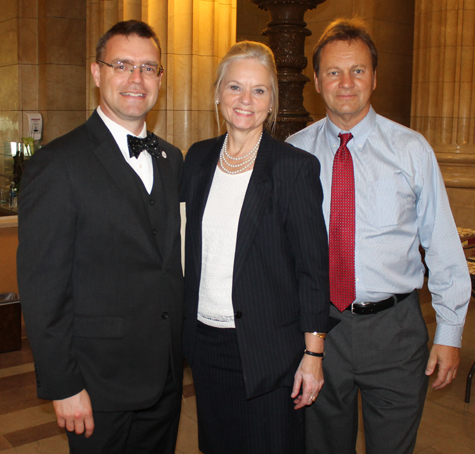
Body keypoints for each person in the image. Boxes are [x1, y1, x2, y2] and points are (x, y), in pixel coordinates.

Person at [287, 18, 471, 454]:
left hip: (395, 332)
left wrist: (449, 331)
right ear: (316, 80)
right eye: (333, 71)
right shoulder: (293, 154)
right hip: (318, 331)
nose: (345, 82)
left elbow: (441, 244)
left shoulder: (411, 150)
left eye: (357, 70)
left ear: (375, 77)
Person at [17, 20, 184, 454]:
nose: (136, 79)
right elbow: (41, 288)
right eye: (123, 65)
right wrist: (63, 383)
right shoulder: (58, 164)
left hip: (164, 377)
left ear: (160, 79)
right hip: (96, 384)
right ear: (96, 73)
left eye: (149, 68)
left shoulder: (172, 159)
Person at [181, 41, 333, 454]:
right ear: (217, 94)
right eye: (235, 87)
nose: (245, 100)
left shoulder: (292, 168)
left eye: (259, 90)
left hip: (270, 351)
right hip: (206, 345)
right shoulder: (196, 160)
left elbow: (313, 271)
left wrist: (313, 354)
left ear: (272, 104)